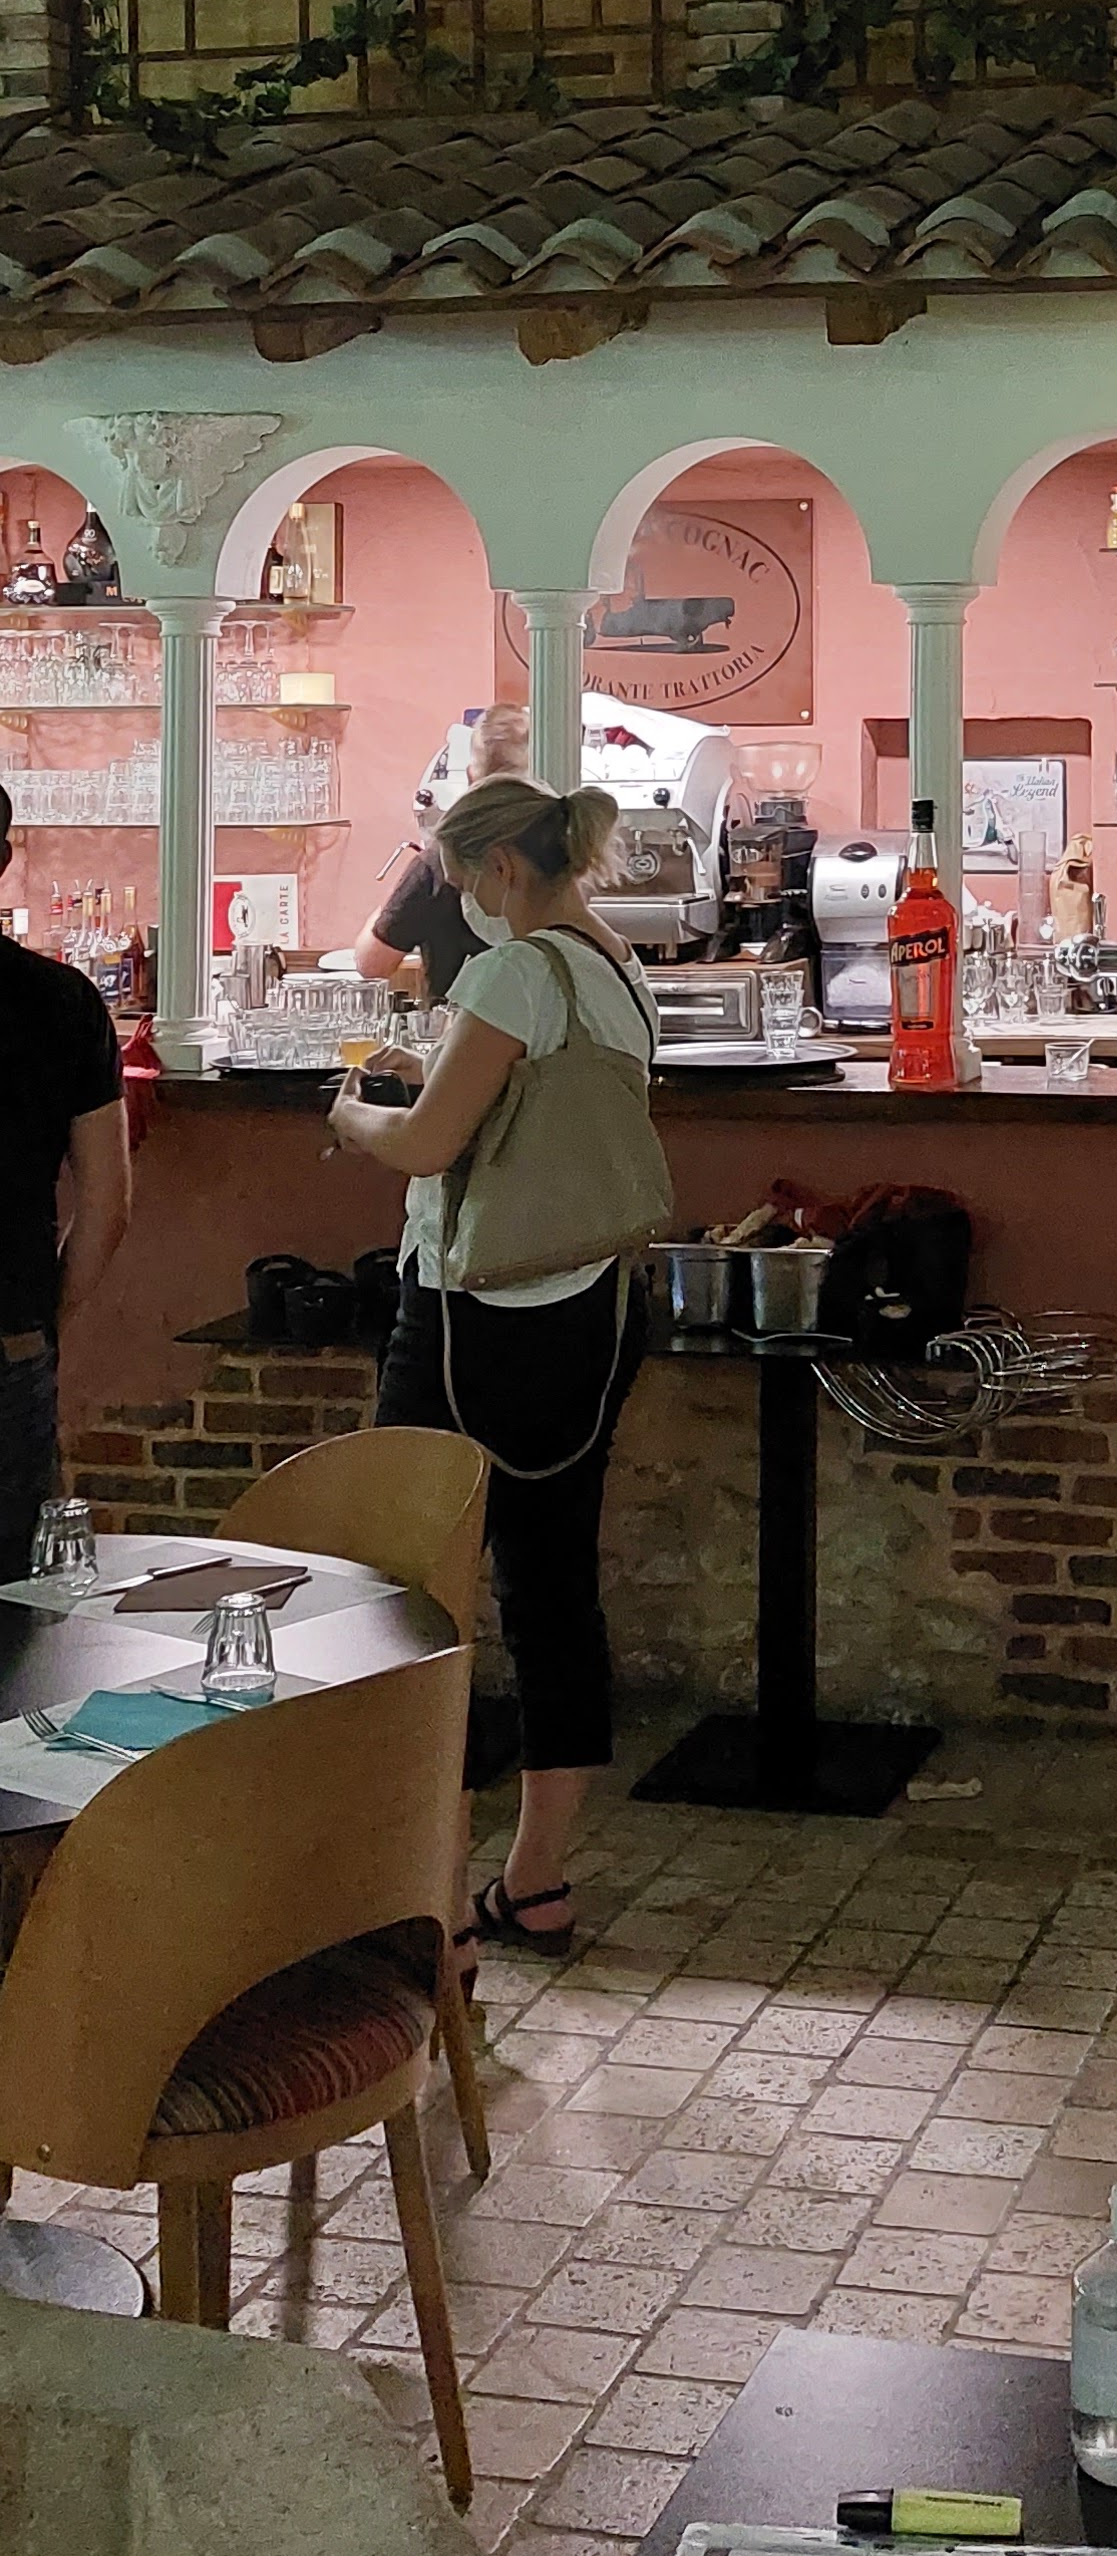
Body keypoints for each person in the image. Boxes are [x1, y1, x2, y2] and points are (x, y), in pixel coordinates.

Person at [329, 770, 656, 1967]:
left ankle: (433, 1898)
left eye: (463, 880)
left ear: (500, 868)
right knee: (553, 1584)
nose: (461, 902)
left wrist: (355, 1116)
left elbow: (429, 1144)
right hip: (593, 1303)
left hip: (475, 1316)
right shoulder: (615, 965)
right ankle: (536, 1881)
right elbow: (521, 1110)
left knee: (411, 1589)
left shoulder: (515, 969)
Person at [0, 787, 132, 1578]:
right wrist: (40, 1322)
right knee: (17, 1614)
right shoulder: (62, 1003)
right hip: (7, 1339)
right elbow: (108, 1204)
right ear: (3, 860)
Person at [352, 701, 530, 1006]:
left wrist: (390, 903)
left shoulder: (442, 860)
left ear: (471, 777)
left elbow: (372, 964)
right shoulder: (558, 851)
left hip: (460, 1023)